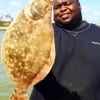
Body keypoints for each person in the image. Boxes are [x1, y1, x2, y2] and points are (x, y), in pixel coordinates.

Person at [30, 0, 100, 100]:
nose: (62, 9)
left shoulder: (98, 33)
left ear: (79, 5)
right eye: (57, 7)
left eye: (67, 4)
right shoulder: (43, 33)